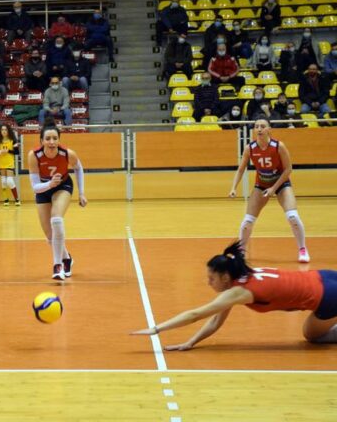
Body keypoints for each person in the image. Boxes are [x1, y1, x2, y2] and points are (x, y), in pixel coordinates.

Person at [131, 241, 337, 349]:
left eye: (211, 278)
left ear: (225, 277)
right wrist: (190, 342)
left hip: (328, 296)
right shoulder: (243, 276)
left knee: (311, 335)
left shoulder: (240, 291)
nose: (208, 283)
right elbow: (215, 321)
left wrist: (156, 329)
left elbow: (195, 315)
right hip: (324, 275)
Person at [228, 118, 309, 262]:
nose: (259, 129)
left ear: (269, 130)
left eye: (263, 126)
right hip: (261, 185)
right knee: (247, 221)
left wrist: (274, 188)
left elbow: (288, 169)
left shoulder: (278, 146)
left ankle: (302, 249)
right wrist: (233, 188)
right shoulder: (250, 148)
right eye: (257, 126)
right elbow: (241, 169)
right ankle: (240, 252)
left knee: (293, 217)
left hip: (281, 184)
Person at [27, 117, 86, 280]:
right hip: (43, 188)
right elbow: (35, 187)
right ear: (41, 141)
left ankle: (57, 265)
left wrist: (81, 193)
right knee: (49, 236)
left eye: (55, 138)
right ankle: (67, 258)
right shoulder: (34, 156)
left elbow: (79, 168)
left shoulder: (67, 154)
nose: (51, 142)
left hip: (63, 186)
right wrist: (49, 184)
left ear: (59, 140)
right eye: (48, 138)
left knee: (56, 219)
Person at [0, 124, 20, 206]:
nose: (4, 131)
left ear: (8, 131)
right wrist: (0, 152)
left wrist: (8, 151)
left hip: (10, 162)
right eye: (2, 130)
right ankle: (6, 199)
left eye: (5, 129)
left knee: (9, 181)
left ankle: (17, 199)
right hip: (1, 163)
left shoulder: (13, 140)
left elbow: (17, 152)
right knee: (3, 181)